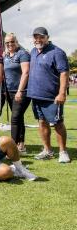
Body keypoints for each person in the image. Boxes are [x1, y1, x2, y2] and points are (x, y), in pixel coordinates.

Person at [27, 27, 70, 163]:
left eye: (41, 37)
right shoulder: (33, 51)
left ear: (47, 37)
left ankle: (63, 152)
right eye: (36, 37)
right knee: (41, 123)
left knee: (58, 123)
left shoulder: (57, 52)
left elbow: (64, 73)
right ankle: (47, 150)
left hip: (52, 97)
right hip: (36, 95)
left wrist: (62, 93)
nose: (38, 40)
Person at [3, 33, 31, 153]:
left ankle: (12, 147)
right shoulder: (6, 56)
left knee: (14, 119)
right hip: (9, 92)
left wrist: (20, 91)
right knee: (19, 118)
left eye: (12, 41)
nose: (10, 44)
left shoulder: (22, 54)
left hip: (22, 91)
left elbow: (26, 72)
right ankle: (21, 145)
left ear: (16, 41)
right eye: (7, 42)